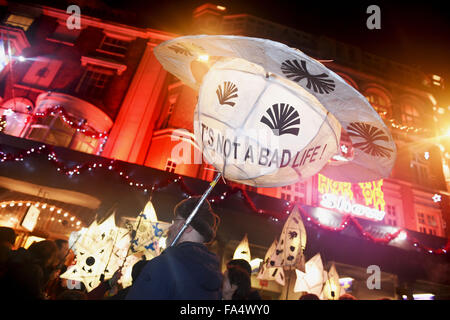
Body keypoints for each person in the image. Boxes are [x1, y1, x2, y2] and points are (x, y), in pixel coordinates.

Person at [126, 196, 222, 300]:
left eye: (175, 221)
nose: (170, 227)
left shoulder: (164, 266)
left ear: (187, 227)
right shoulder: (214, 279)